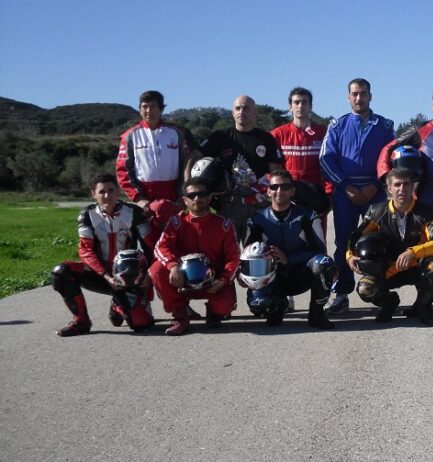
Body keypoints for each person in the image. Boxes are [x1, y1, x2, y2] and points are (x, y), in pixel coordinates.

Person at [320, 78, 395, 313]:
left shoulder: (384, 125)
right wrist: (346, 186)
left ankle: (380, 292)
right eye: (355, 94)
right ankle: (341, 294)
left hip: (375, 191)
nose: (359, 98)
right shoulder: (337, 125)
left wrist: (375, 184)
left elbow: (391, 157)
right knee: (344, 243)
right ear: (348, 97)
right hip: (346, 192)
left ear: (370, 96)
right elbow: (326, 159)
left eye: (363, 94)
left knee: (380, 241)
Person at [52, 174, 157, 336]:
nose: (107, 195)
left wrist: (147, 277)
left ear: (118, 191)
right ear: (93, 194)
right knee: (61, 272)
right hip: (100, 274)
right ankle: (81, 321)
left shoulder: (134, 212)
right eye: (102, 192)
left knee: (143, 325)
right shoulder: (87, 215)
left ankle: (118, 303)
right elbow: (85, 250)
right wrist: (107, 276)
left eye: (111, 190)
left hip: (128, 276)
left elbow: (151, 246)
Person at [346, 168, 433, 325]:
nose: (402, 189)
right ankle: (389, 303)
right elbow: (355, 237)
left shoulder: (426, 211)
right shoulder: (376, 211)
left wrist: (413, 252)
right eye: (397, 184)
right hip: (389, 267)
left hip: (417, 265)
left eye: (406, 184)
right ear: (389, 189)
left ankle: (423, 308)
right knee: (365, 289)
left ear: (413, 187)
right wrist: (350, 256)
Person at [243, 169, 335, 328]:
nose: (279, 191)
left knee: (324, 264)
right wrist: (243, 276)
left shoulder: (307, 216)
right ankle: (277, 306)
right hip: (272, 278)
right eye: (275, 187)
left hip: (301, 274)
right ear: (268, 191)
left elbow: (320, 251)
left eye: (285, 187)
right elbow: (247, 255)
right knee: (259, 305)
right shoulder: (257, 220)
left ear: (293, 191)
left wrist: (288, 259)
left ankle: (317, 314)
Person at [149, 177, 240, 335]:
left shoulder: (224, 224)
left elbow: (234, 257)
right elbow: (161, 247)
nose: (197, 198)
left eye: (202, 194)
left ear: (209, 197)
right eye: (192, 195)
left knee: (224, 305)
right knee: (156, 270)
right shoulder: (176, 222)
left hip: (213, 282)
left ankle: (214, 312)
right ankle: (180, 314)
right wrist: (173, 267)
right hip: (182, 281)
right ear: (185, 200)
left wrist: (223, 280)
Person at [187, 95, 284, 241]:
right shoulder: (220, 137)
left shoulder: (266, 138)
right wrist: (189, 188)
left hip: (258, 204)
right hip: (229, 205)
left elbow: (276, 171)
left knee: (259, 250)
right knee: (226, 249)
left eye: (246, 108)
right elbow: (192, 158)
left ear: (254, 112)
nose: (241, 112)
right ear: (232, 112)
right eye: (238, 108)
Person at [116, 89, 195, 208]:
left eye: (153, 106)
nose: (148, 111)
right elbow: (122, 171)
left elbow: (186, 165)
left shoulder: (177, 134)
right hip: (145, 199)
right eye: (144, 107)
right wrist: (138, 198)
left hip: (174, 197)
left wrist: (182, 195)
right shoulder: (129, 137)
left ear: (161, 109)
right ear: (140, 109)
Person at [269, 86, 332, 222]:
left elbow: (330, 165)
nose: (300, 106)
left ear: (311, 106)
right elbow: (271, 167)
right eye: (296, 102)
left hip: (316, 193)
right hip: (288, 193)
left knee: (316, 234)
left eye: (304, 102)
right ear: (290, 107)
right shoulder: (277, 134)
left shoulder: (323, 133)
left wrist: (329, 194)